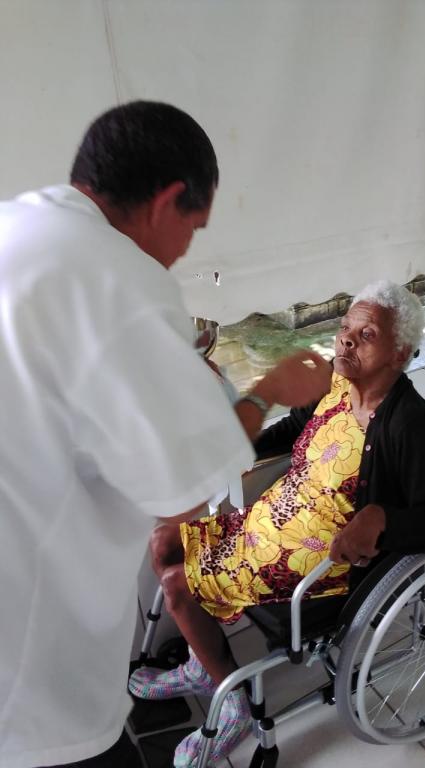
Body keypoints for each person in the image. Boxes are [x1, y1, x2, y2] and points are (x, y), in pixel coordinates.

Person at [0, 101, 333, 768]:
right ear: (168, 199)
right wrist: (269, 392)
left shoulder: (22, 223)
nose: (184, 251)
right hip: (29, 663)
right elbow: (183, 493)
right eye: (193, 228)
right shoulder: (117, 278)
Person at [128, 280, 425, 767]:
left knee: (177, 584)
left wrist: (379, 519)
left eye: (367, 334)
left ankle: (233, 708)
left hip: (323, 561)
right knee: (163, 541)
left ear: (399, 353)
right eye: (346, 327)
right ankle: (204, 669)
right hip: (275, 519)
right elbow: (296, 427)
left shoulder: (407, 423)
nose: (346, 339)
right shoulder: (338, 380)